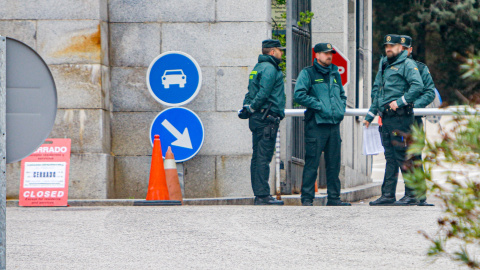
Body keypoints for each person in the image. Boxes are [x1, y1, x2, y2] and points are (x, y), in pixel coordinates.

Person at [364, 34, 424, 206]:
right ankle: (388, 194)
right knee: (390, 156)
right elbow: (379, 93)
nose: (388, 48)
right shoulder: (384, 64)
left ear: (400, 48)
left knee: (403, 155)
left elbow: (418, 86)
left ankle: (412, 195)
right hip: (387, 118)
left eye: (392, 46)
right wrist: (370, 115)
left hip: (401, 118)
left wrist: (400, 102)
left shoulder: (407, 64)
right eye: (386, 46)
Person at [294, 43, 351, 206]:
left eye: (330, 53)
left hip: (333, 125)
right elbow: (299, 95)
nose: (329, 56)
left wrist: (340, 107)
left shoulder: (334, 73)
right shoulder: (308, 73)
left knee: (334, 164)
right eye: (325, 53)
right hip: (316, 125)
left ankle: (334, 198)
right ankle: (307, 198)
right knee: (312, 162)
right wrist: (318, 105)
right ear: (317, 55)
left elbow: (341, 94)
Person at [241, 39, 286, 205]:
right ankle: (262, 195)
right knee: (263, 156)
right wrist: (252, 107)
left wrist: (246, 108)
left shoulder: (258, 67)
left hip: (258, 118)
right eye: (280, 50)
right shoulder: (270, 68)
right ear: (273, 51)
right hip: (267, 118)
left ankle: (259, 193)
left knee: (257, 156)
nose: (282, 53)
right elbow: (264, 93)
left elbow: (250, 92)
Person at [394, 35, 435, 206]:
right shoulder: (389, 67)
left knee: (414, 156)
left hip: (413, 120)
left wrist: (411, 107)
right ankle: (409, 193)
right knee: (400, 156)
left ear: (410, 50)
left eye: (405, 49)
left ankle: (418, 195)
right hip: (395, 120)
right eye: (399, 49)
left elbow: (429, 92)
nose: (402, 52)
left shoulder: (420, 68)